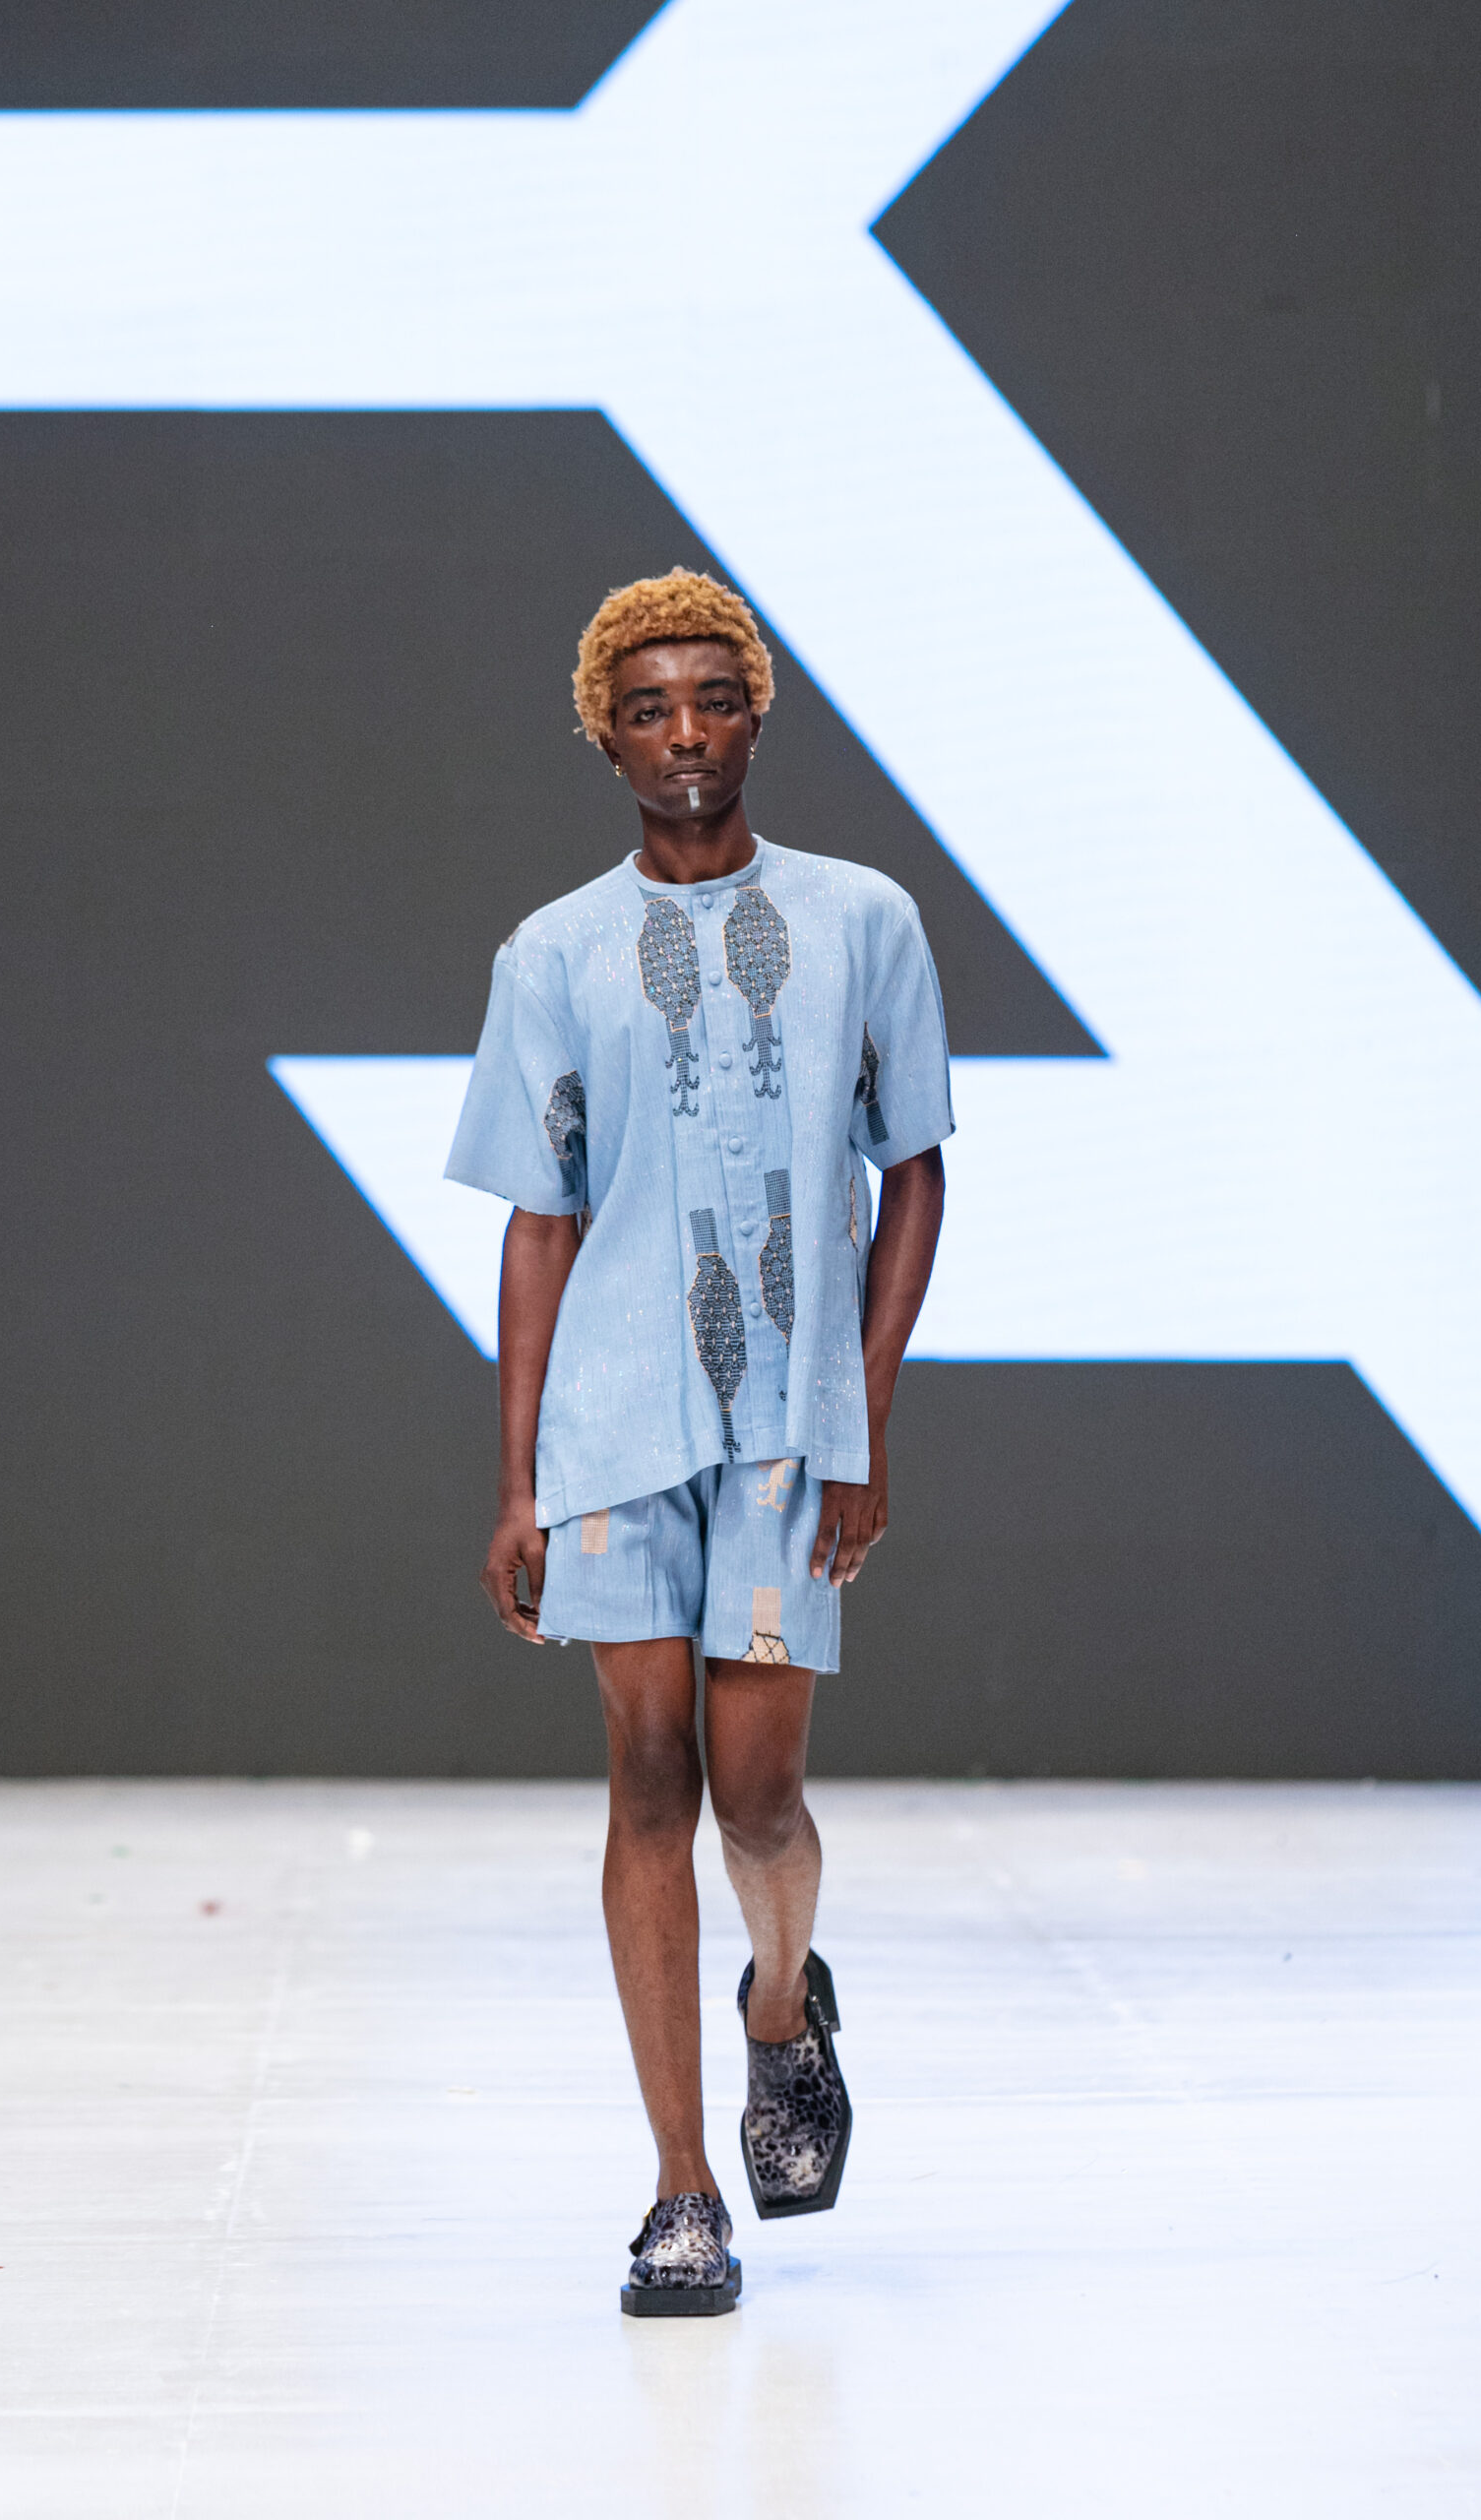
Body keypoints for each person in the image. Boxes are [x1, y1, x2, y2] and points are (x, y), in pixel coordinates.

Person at [447, 568, 949, 2314]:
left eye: (713, 700)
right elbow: (538, 1219)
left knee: (759, 1791)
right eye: (648, 707)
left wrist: (866, 1411)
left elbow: (912, 1169)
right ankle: (680, 2188)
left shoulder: (863, 920)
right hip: (612, 1423)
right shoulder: (550, 953)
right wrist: (517, 1478)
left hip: (791, 1431)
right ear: (603, 736)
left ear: (755, 717)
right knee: (648, 1780)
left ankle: (780, 2003)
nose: (683, 734)